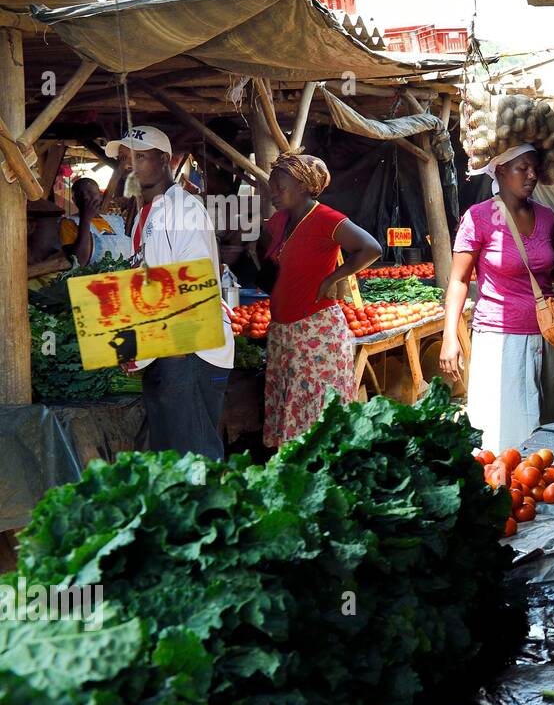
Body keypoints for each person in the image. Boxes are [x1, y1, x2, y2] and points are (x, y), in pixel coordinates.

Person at [439, 144, 554, 453]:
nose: (531, 175)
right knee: (505, 434)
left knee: (549, 427)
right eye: (523, 168)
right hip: (502, 341)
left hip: (549, 338)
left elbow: (549, 268)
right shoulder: (478, 218)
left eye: (535, 168)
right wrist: (450, 335)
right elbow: (458, 280)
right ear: (501, 171)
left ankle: (540, 491)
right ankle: (505, 492)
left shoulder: (546, 216)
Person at [109, 125, 234, 460]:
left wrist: (172, 351)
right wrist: (135, 346)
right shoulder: (144, 215)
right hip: (164, 350)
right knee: (171, 459)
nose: (128, 166)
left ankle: (215, 513)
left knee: (195, 460)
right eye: (124, 159)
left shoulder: (184, 211)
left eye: (139, 157)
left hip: (187, 351)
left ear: (164, 160)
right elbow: (145, 286)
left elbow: (191, 286)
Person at [260, 152, 381, 448]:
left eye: (280, 186)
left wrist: (332, 278)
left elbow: (371, 248)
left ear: (302, 186)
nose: (273, 193)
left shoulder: (326, 218)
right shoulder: (280, 222)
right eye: (271, 186)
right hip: (284, 332)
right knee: (291, 407)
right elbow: (273, 273)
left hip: (315, 331)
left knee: (317, 416)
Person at [60, 177, 132, 266]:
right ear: (74, 200)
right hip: (95, 278)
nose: (85, 197)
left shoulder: (116, 221)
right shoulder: (68, 223)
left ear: (100, 196)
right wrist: (85, 219)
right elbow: (79, 261)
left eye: (90, 192)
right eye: (80, 194)